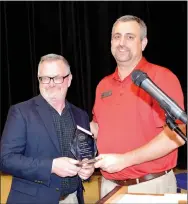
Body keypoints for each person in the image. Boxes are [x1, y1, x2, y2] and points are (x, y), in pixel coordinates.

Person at [90, 15, 186, 198]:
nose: (121, 43)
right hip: (108, 187)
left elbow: (178, 135)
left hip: (149, 186)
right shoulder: (103, 85)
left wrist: (125, 160)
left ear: (143, 43)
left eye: (130, 37)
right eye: (117, 36)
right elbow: (98, 127)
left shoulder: (161, 78)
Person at [1, 54, 94, 204]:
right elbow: (6, 160)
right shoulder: (21, 112)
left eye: (57, 78)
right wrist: (51, 166)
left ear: (69, 79)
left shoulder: (81, 115)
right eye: (45, 78)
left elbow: (84, 155)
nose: (50, 84)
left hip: (73, 199)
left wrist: (87, 170)